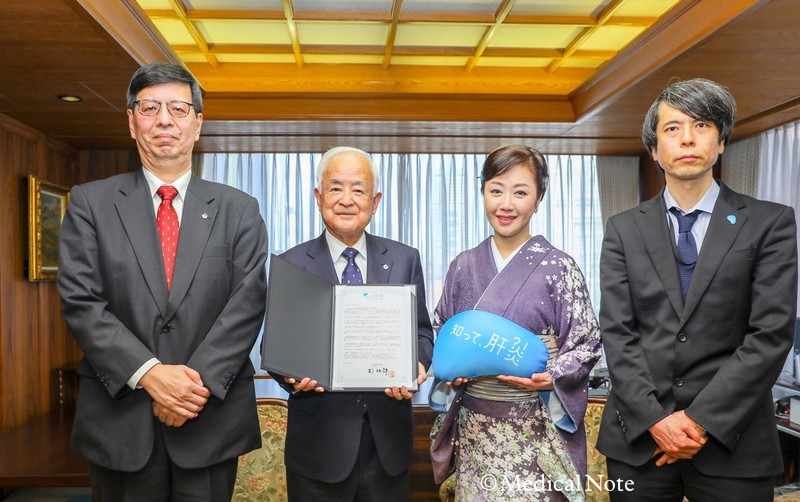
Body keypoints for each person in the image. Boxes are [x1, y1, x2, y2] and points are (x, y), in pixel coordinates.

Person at [57, 62, 268, 502]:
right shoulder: (90, 203)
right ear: (132, 122)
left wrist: (191, 389)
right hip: (120, 420)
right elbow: (81, 302)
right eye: (149, 108)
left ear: (197, 124)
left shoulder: (239, 209)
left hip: (208, 418)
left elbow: (247, 304)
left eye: (178, 107)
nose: (165, 119)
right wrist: (150, 374)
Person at [598, 78, 798, 502]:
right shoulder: (623, 229)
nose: (687, 138)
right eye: (672, 128)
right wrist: (658, 421)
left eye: (702, 125)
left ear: (721, 141)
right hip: (640, 441)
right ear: (655, 150)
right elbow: (618, 333)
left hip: (734, 441)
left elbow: (771, 334)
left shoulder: (770, 223)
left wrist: (699, 421)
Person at [429, 144, 601, 501]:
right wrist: (451, 369)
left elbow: (586, 341)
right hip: (477, 428)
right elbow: (442, 328)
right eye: (496, 190)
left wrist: (551, 375)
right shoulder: (463, 265)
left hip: (535, 428)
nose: (506, 204)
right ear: (483, 193)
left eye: (520, 192)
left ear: (538, 200)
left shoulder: (559, 267)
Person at [264, 146, 434, 502]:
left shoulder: (404, 258)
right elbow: (274, 343)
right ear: (318, 196)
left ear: (375, 201)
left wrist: (416, 364)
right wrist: (291, 374)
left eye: (358, 189)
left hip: (387, 443)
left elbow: (421, 332)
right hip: (318, 446)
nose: (346, 199)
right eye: (335, 187)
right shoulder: (291, 263)